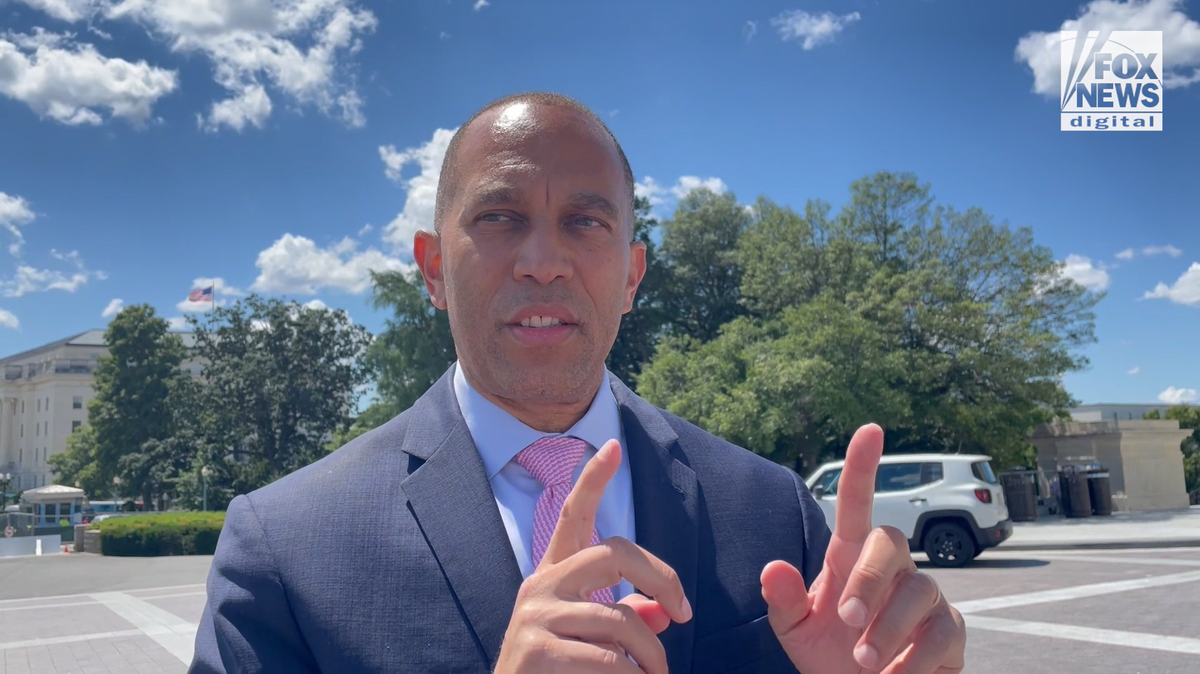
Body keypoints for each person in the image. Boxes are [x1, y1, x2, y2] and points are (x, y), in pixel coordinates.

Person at [190, 92, 966, 674]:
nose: (543, 260)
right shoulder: (286, 551)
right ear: (432, 269)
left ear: (631, 276)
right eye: (499, 216)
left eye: (586, 222)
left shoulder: (774, 514)